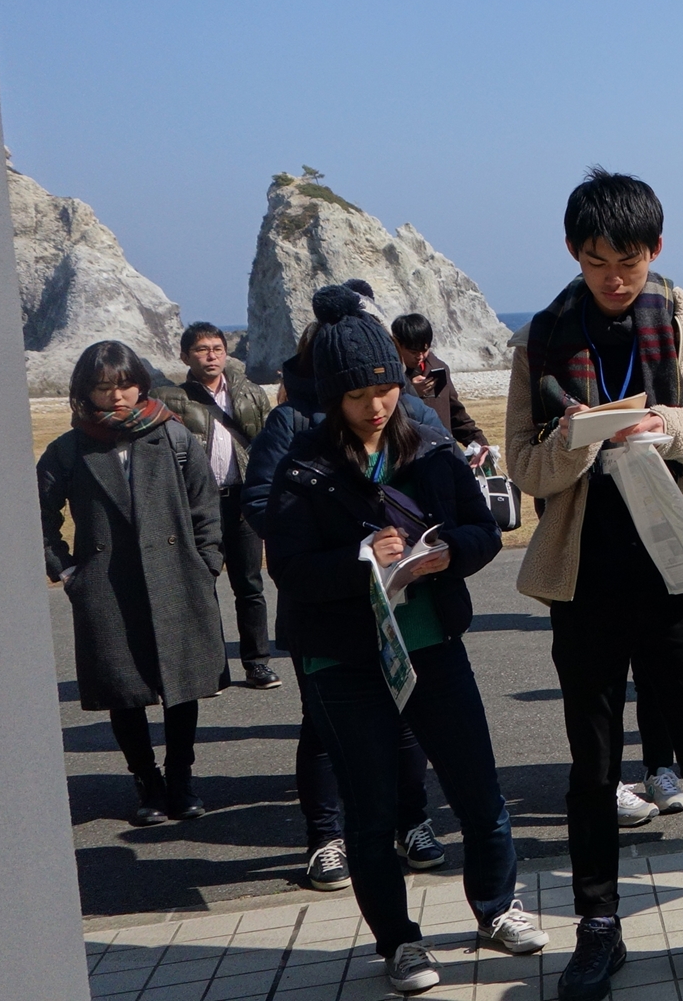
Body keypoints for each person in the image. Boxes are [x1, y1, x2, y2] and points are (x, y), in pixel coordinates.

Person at [506, 168, 683, 1001]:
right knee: (593, 767)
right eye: (595, 262)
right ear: (572, 253)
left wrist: (671, 427)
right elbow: (521, 464)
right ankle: (598, 926)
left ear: (656, 248)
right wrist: (577, 441)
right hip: (587, 583)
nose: (613, 278)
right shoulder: (542, 338)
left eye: (628, 261)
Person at [265, 287, 546, 994]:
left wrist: (450, 553)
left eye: (385, 389)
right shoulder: (304, 465)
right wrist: (361, 557)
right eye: (357, 395)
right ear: (332, 396)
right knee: (372, 811)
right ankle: (399, 942)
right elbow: (289, 569)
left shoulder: (429, 449)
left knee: (478, 790)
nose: (376, 406)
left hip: (430, 641)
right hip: (343, 658)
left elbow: (484, 529)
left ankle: (496, 907)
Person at [244, 303, 451, 891]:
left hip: (400, 595)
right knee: (323, 726)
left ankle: (414, 822)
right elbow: (261, 501)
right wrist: (341, 541)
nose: (372, 400)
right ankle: (325, 838)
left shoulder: (406, 412)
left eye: (379, 379)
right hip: (325, 602)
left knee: (407, 713)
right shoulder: (291, 422)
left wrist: (425, 537)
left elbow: (446, 479)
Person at [40, 340, 226, 827]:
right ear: (86, 392)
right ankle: (147, 781)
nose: (116, 396)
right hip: (106, 584)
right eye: (103, 388)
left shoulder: (172, 434)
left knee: (181, 685)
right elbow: (37, 515)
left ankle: (181, 779)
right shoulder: (68, 449)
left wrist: (205, 563)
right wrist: (67, 571)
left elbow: (205, 505)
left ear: (141, 384)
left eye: (125, 384)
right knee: (123, 689)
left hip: (175, 576)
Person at [155, 322, 279, 689]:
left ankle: (257, 663)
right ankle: (211, 668)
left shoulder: (251, 394)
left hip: (242, 500)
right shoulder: (169, 399)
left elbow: (268, 445)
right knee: (201, 585)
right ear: (185, 356)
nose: (211, 356)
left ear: (226, 353)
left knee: (250, 585)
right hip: (198, 505)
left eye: (217, 349)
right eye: (201, 349)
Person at [390, 312, 490, 461]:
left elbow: (456, 414)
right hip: (406, 457)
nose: (420, 356)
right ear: (397, 345)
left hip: (442, 453)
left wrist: (479, 442)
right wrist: (410, 391)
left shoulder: (439, 368)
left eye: (425, 350)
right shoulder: (389, 374)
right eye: (413, 352)